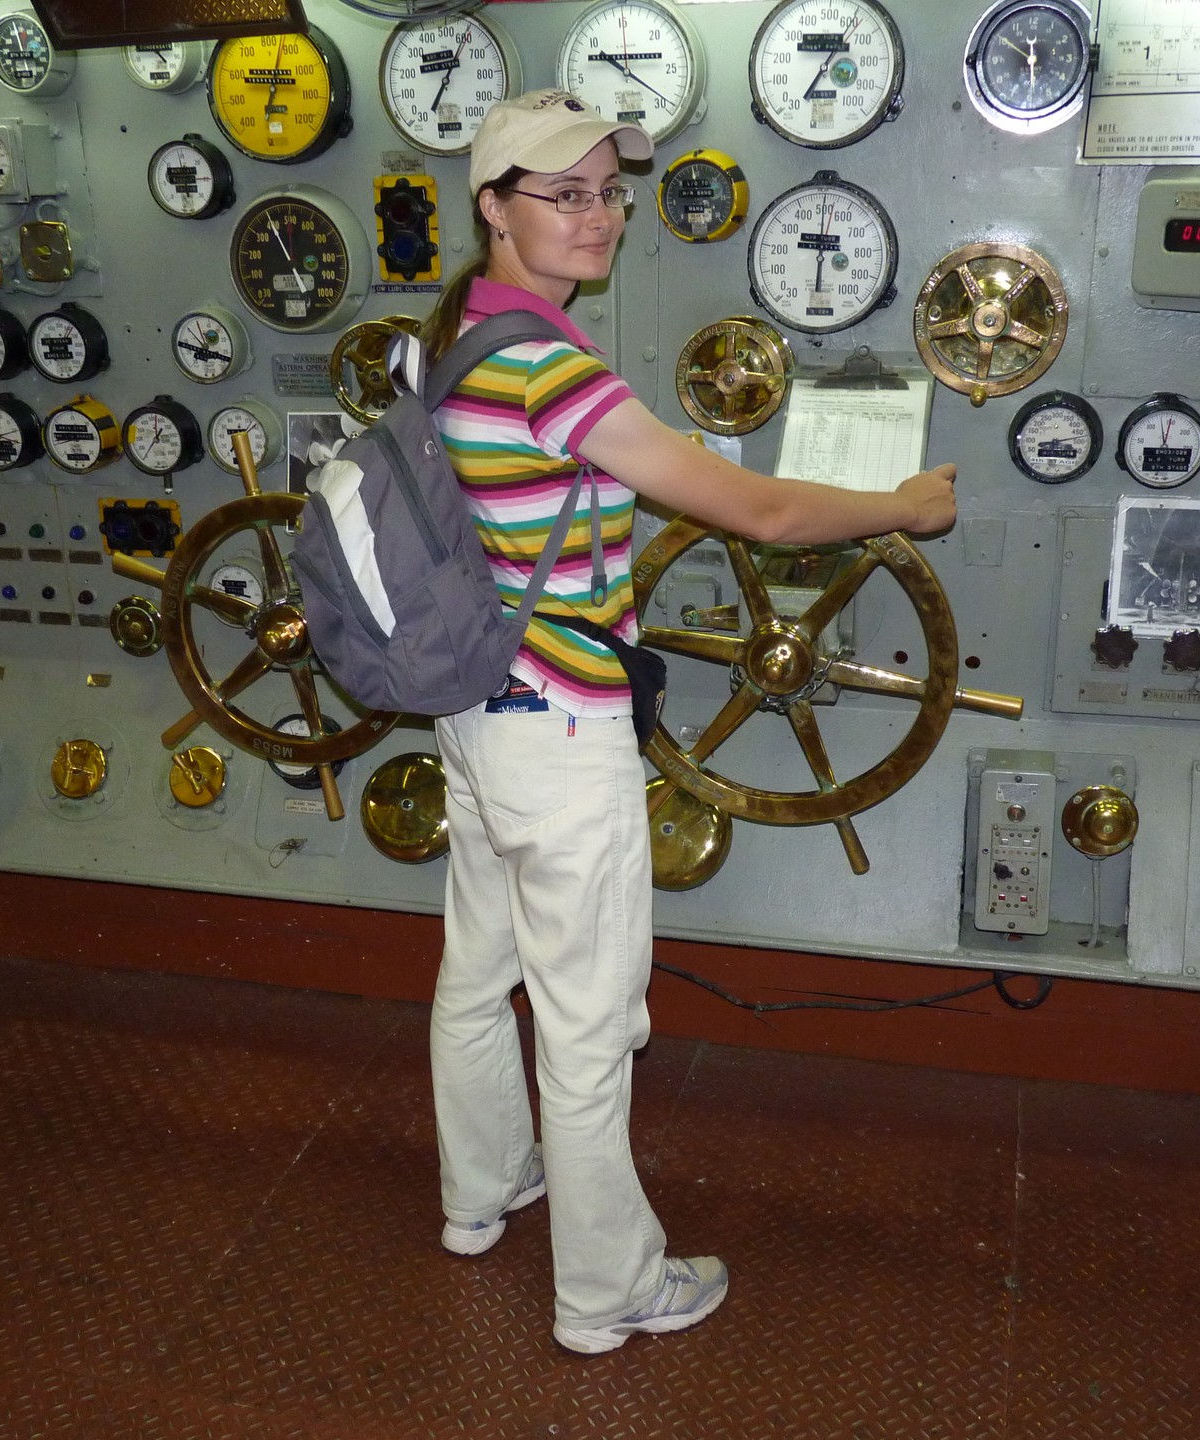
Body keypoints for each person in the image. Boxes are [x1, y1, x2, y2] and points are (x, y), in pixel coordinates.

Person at [418, 89, 958, 1356]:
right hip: (560, 732)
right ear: (493, 206)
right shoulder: (550, 369)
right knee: (590, 1027)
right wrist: (903, 507)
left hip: (475, 713)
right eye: (563, 194)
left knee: (477, 976)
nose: (598, 215)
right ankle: (607, 1293)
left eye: (609, 191)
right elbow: (759, 515)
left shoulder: (447, 340)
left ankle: (479, 1195)